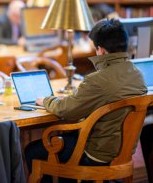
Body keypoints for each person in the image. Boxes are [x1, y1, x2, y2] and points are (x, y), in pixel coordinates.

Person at [25, 19, 147, 182]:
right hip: (123, 152)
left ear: (101, 51)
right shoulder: (138, 74)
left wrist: (46, 100)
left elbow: (65, 110)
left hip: (97, 154)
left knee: (33, 151)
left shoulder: (96, 80)